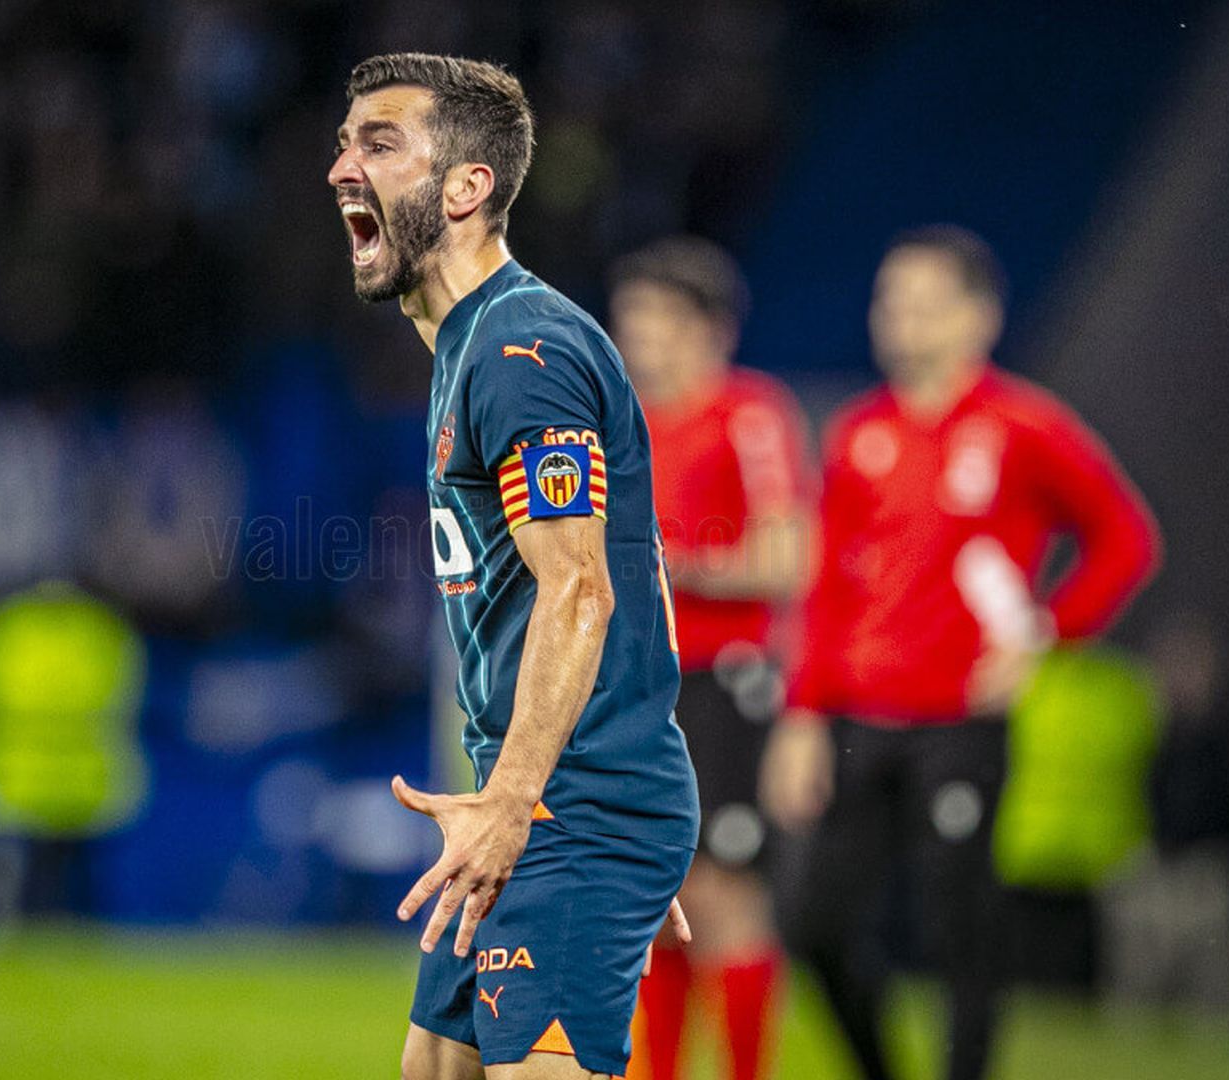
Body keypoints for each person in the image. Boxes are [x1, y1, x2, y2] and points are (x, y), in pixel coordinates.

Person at [327, 54, 699, 1080]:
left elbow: (581, 586)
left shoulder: (518, 352)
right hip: (549, 798)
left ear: (466, 187)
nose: (339, 170)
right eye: (343, 141)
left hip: (562, 804)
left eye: (378, 143)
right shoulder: (472, 348)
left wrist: (558, 809)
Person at [760, 226, 1161, 1080]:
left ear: (979, 316)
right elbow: (825, 587)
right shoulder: (860, 433)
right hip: (858, 719)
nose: (899, 318)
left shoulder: (1024, 425)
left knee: (959, 933)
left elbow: (1124, 539)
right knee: (811, 922)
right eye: (888, 299)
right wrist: (801, 717)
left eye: (923, 301)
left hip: (960, 724)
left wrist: (1047, 636)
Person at [610, 237, 813, 1080]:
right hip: (635, 689)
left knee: (726, 895)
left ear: (708, 329)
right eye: (631, 317)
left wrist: (681, 566)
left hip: (723, 682)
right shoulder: (620, 421)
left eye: (655, 316)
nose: (637, 335)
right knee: (654, 899)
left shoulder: (749, 414)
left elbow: (790, 557)